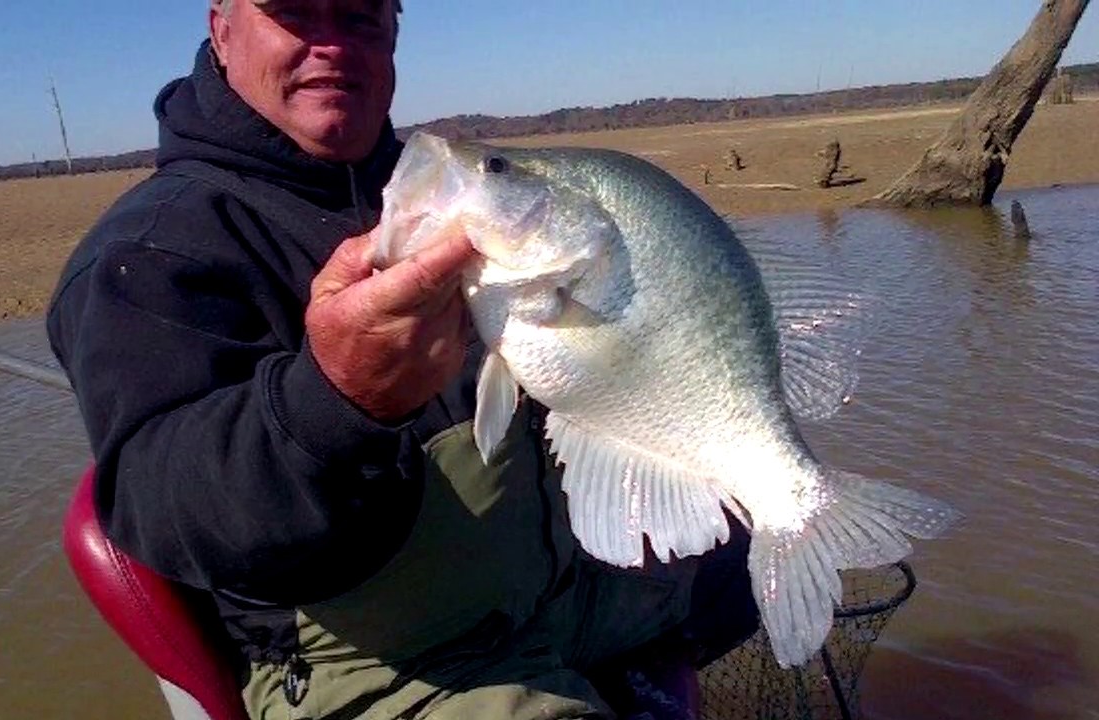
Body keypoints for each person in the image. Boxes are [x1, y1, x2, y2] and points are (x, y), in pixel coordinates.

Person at [46, 1, 759, 717]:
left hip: (550, 575)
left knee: (748, 558)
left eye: (359, 17)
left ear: (393, 35)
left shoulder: (439, 191)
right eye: (294, 12)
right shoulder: (149, 254)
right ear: (222, 27)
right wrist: (333, 400)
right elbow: (166, 509)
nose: (332, 46)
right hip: (387, 658)